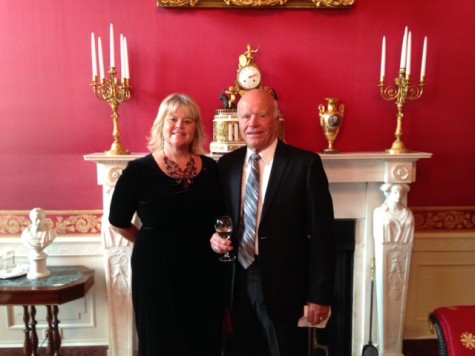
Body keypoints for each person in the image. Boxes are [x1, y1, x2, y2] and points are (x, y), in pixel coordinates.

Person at [210, 89, 336, 356]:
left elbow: (323, 235)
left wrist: (319, 295)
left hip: (286, 284)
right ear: (238, 122)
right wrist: (215, 238)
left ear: (276, 119)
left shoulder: (305, 164)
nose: (252, 123)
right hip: (237, 278)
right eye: (245, 116)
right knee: (245, 348)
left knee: (285, 349)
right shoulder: (226, 165)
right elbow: (218, 218)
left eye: (261, 115)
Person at [109, 93, 224, 356]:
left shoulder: (211, 168)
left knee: (203, 335)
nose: (179, 126)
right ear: (162, 123)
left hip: (204, 267)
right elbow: (117, 221)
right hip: (156, 268)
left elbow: (221, 215)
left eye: (188, 121)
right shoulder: (138, 170)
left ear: (196, 128)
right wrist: (149, 240)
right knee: (161, 338)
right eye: (173, 119)